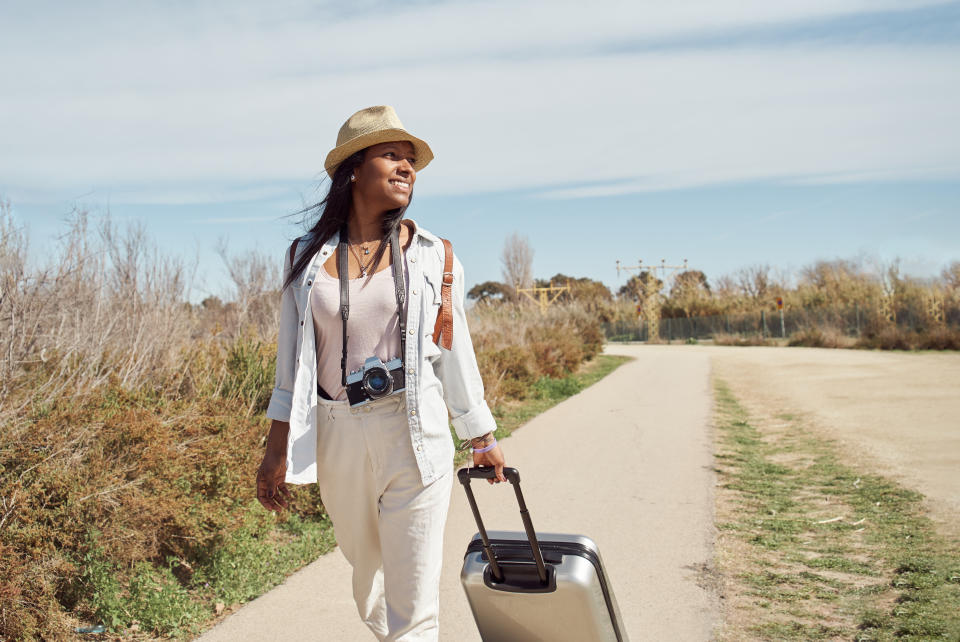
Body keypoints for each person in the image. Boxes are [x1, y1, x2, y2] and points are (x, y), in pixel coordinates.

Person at [255, 105, 506, 641]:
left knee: (412, 607)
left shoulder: (436, 255)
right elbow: (288, 366)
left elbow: (454, 352)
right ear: (353, 169)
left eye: (410, 160)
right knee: (369, 583)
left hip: (416, 430)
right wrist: (275, 452)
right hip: (338, 432)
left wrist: (480, 437)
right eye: (392, 155)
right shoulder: (304, 257)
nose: (406, 167)